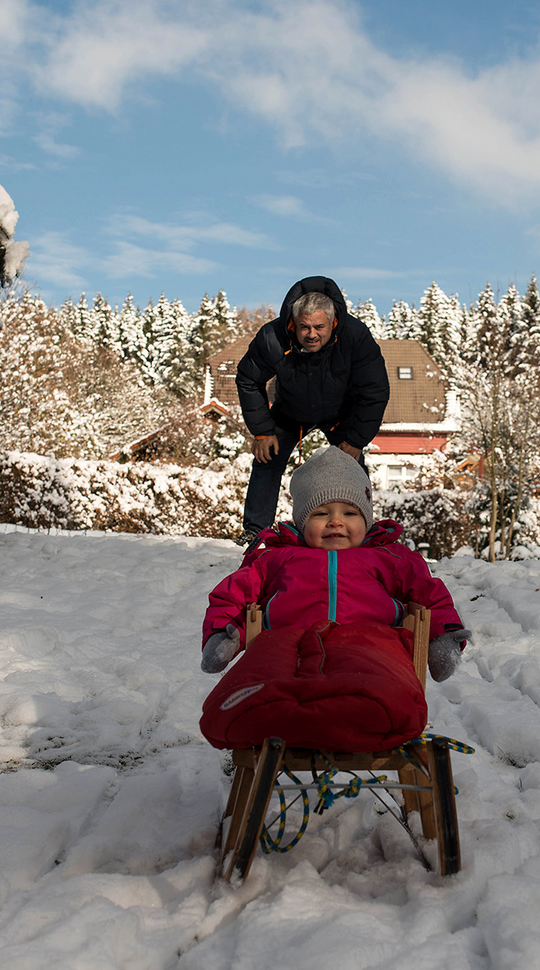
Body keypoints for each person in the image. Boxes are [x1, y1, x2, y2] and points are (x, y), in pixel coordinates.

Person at [201, 446, 470, 684]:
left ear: (366, 520)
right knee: (267, 682)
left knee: (375, 681)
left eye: (350, 513)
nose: (336, 521)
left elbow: (429, 593)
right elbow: (232, 594)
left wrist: (441, 636)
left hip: (371, 650)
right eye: (320, 513)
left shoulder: (389, 557)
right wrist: (224, 634)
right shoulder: (276, 557)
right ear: (301, 521)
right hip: (288, 652)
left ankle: (370, 722)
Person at [234, 276, 388, 542]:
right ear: (293, 323)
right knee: (266, 459)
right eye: (304, 327)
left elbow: (374, 391)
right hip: (289, 411)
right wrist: (262, 431)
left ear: (333, 322)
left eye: (319, 327)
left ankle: (362, 534)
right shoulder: (273, 337)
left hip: (340, 414)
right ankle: (255, 531)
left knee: (353, 468)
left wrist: (355, 440)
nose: (311, 334)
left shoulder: (355, 337)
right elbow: (248, 379)